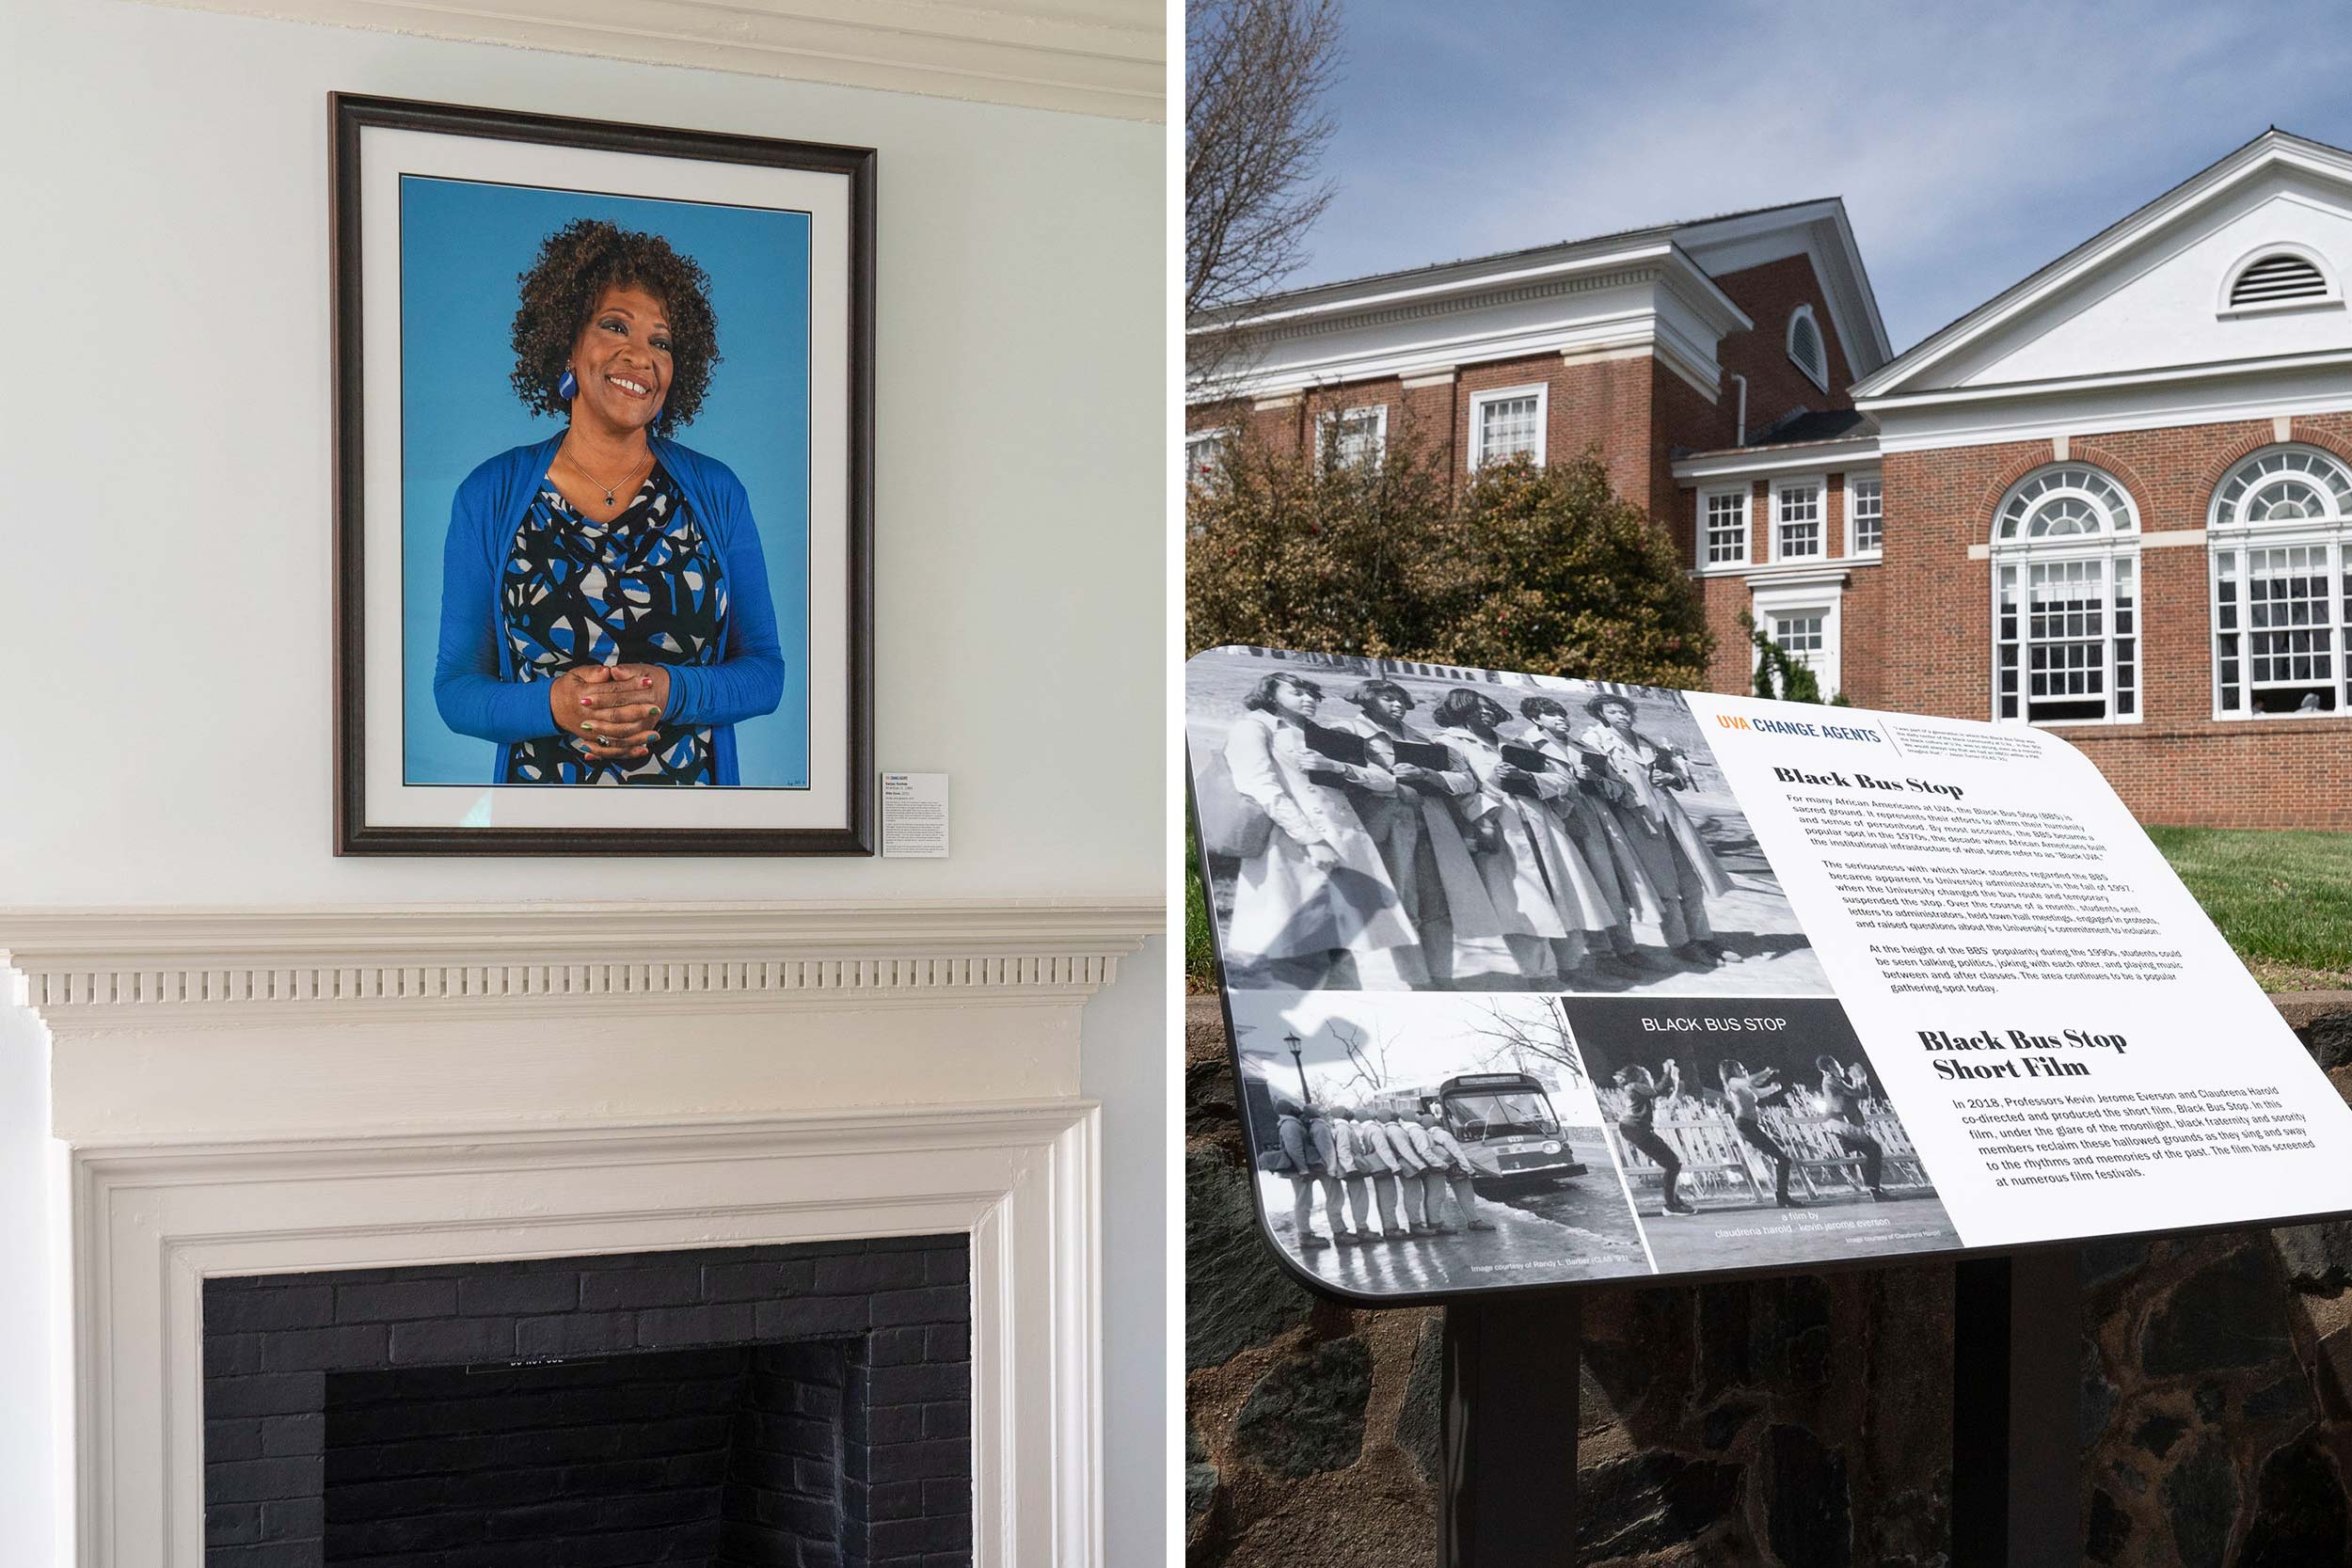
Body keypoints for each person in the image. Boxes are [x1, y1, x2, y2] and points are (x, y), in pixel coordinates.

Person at [435, 218, 786, 784]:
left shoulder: (717, 492)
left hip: (695, 844)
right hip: (539, 845)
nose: (639, 355)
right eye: (614, 326)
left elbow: (766, 675)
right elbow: (456, 690)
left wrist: (671, 692)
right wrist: (555, 705)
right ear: (568, 344)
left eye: (661, 341)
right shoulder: (491, 494)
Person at [1218, 674, 1418, 987]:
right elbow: (1261, 787)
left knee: (1341, 940)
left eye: (1312, 694)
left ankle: (1346, 1012)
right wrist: (1312, 840)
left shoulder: (1321, 734)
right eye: (1296, 693)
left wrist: (1336, 766)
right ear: (1270, 696)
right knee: (1299, 941)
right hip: (1292, 845)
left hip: (1344, 842)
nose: (1308, 699)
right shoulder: (1253, 727)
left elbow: (1386, 781)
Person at [1335, 681, 1520, 987]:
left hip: (1434, 829)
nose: (1397, 705)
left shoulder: (1421, 738)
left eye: (1401, 699)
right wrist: (1391, 781)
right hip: (1385, 830)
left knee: (1438, 906)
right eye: (1387, 699)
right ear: (1367, 700)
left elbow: (1465, 780)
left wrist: (1427, 774)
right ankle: (1417, 980)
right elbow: (1342, 774)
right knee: (1402, 908)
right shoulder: (1346, 731)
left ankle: (1442, 977)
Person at [1431, 689, 1619, 985]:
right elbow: (1455, 792)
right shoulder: (1448, 744)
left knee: (1563, 894)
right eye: (1477, 708)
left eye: (1489, 705)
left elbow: (1562, 780)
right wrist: (1490, 794)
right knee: (1522, 904)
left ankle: (1571, 967)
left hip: (1541, 822)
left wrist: (1529, 777)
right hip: (1497, 826)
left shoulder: (1514, 743)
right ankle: (1540, 975)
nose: (1487, 712)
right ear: (1460, 710)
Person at [1581, 696, 1740, 967]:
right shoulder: (1594, 740)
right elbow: (1595, 784)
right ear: (1602, 715)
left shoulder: (1644, 740)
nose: (1622, 716)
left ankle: (1703, 937)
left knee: (1691, 881)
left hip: (1671, 818)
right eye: (1613, 712)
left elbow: (1676, 775)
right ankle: (1681, 943)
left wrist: (1671, 777)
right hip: (1636, 820)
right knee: (1665, 886)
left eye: (1625, 711)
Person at [1517, 696, 1666, 975]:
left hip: (1601, 821)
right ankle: (1601, 954)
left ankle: (1626, 949)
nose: (1562, 719)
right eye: (1551, 715)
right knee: (1585, 891)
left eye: (1562, 714)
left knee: (1615, 887)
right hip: (1561, 823)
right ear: (1536, 719)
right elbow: (1524, 786)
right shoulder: (1525, 746)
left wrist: (1595, 779)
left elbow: (1619, 787)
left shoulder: (1582, 746)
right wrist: (1569, 781)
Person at [1613, 1063, 1694, 1215]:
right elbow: (1657, 1090)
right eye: (1647, 1074)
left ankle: (1673, 1201)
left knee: (1672, 1164)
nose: (1650, 1077)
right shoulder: (1634, 1086)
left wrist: (1674, 1081)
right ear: (1639, 1076)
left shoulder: (1634, 1089)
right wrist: (1668, 1071)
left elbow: (1665, 1096)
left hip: (1636, 1129)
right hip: (1635, 1128)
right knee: (1673, 1164)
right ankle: (1671, 1205)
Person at [1720, 1059, 1800, 1208]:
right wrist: (1765, 1071)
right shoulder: (1733, 1082)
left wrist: (1772, 1088)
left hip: (1752, 1125)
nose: (1744, 1070)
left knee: (1782, 1158)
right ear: (1732, 1071)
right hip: (1745, 1125)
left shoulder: (1745, 1086)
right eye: (1740, 1068)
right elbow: (1750, 1079)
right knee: (1783, 1159)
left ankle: (1782, 1196)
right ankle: (1782, 1197)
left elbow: (1759, 1093)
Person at [1271, 1098, 1344, 1248]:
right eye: (1293, 1107)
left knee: (1305, 1201)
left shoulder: (1292, 1123)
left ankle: (1308, 1234)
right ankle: (1305, 1235)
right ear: (1288, 1109)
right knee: (1303, 1202)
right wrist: (1303, 1169)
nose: (1297, 1108)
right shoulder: (1290, 1125)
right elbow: (1295, 1150)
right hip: (1299, 1170)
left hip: (1300, 1168)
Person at [1817, 1055, 1889, 1201]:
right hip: (1839, 1123)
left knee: (1872, 1149)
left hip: (1839, 1124)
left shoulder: (1833, 1081)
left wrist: (1858, 1081)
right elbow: (1859, 1094)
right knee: (1873, 1148)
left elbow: (1859, 1096)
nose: (1841, 1068)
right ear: (1831, 1067)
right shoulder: (1832, 1081)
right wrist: (1861, 1079)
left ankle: (1874, 1188)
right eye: (1837, 1064)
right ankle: (1874, 1189)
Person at [1415, 1110, 1499, 1232]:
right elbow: (1457, 1153)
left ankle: (1433, 1221)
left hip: (1435, 1168)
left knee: (1434, 1194)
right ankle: (1474, 1220)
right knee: (1465, 1195)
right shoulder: (1443, 1134)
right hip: (1454, 1168)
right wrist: (1468, 1169)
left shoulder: (1424, 1134)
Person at [1333, 1105, 1405, 1241]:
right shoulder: (1350, 1129)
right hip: (1368, 1168)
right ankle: (1383, 1228)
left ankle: (1382, 1227)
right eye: (1346, 1110)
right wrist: (1350, 1168)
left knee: (1374, 1199)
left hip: (1363, 1167)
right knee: (1381, 1198)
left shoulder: (1361, 1129)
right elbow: (1382, 1150)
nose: (1350, 1112)